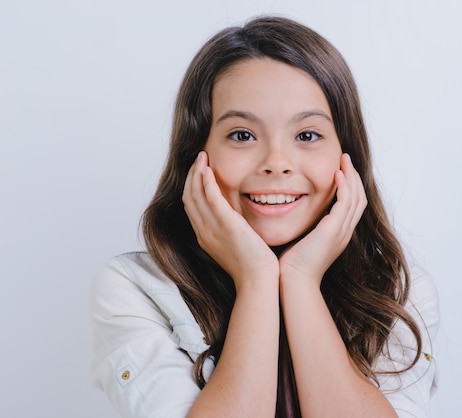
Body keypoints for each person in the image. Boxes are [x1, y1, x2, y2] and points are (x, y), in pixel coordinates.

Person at [90, 16, 439, 418]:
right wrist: (256, 279)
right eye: (242, 135)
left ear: (348, 158)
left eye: (307, 135)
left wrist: (300, 279)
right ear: (196, 157)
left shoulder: (395, 288)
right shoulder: (134, 289)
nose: (277, 163)